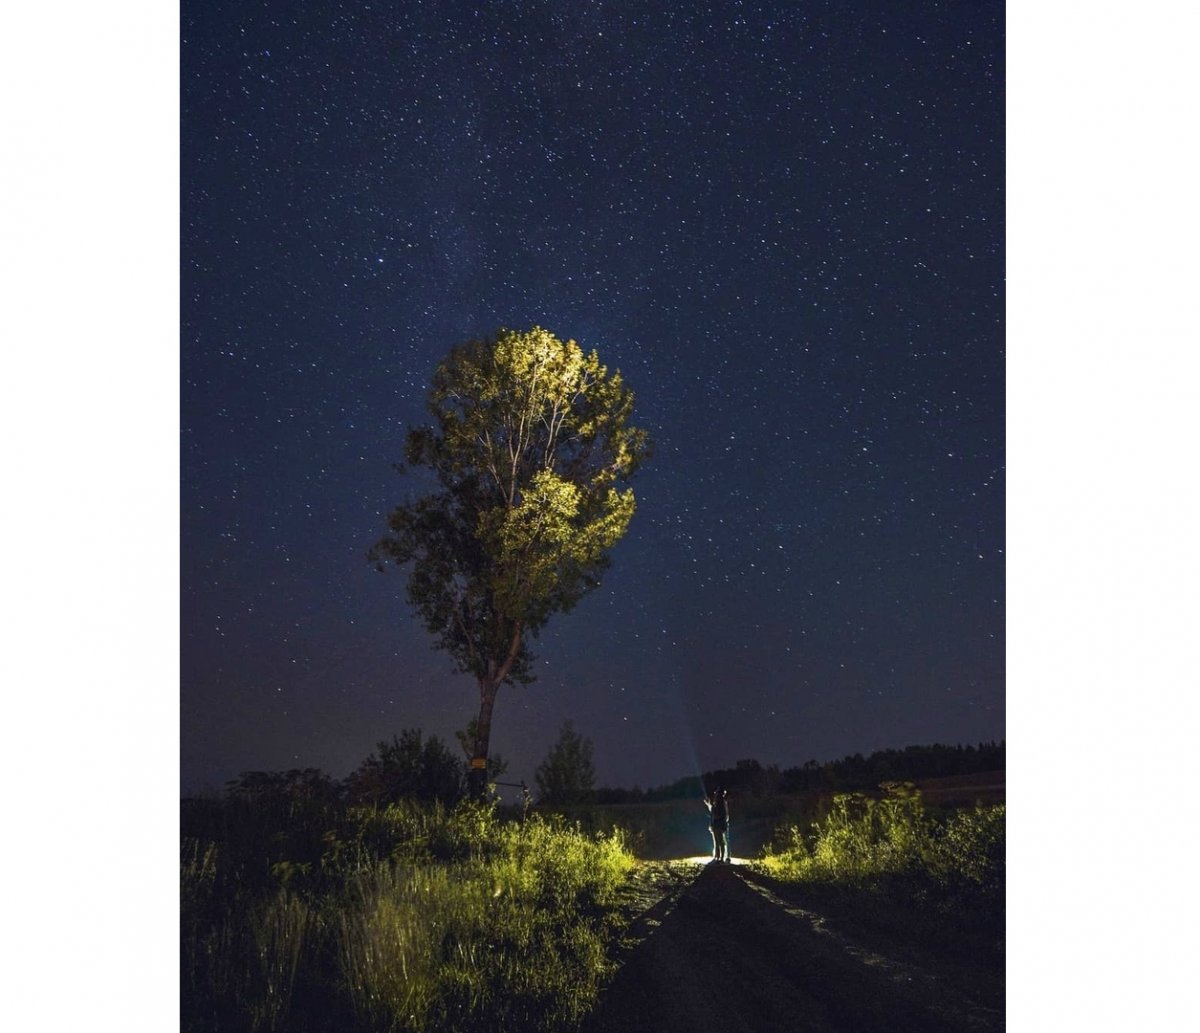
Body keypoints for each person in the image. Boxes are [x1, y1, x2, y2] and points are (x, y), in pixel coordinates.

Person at [704, 788, 730, 862]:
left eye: (716, 794)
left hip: (718, 825)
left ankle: (720, 857)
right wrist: (709, 804)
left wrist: (710, 806)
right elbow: (714, 811)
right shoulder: (719, 804)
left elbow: (717, 814)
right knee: (718, 841)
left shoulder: (720, 804)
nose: (715, 795)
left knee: (719, 841)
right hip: (717, 825)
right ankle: (718, 856)